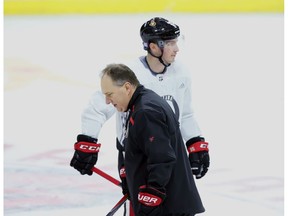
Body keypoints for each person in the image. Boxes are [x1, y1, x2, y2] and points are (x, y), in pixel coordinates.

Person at [70, 17, 210, 215]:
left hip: (169, 154)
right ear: (154, 47)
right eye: (170, 43)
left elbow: (186, 113)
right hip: (136, 157)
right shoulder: (129, 74)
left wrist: (195, 143)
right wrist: (88, 141)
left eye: (176, 42)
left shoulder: (182, 73)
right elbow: (99, 106)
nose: (176, 49)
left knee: (177, 207)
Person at [101, 63, 206, 215]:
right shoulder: (142, 102)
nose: (107, 101)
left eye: (109, 94)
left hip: (167, 209)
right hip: (166, 207)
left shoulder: (146, 112)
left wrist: (151, 195)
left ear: (127, 87)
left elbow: (162, 158)